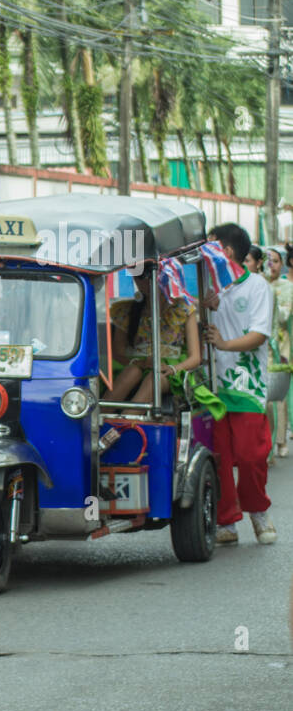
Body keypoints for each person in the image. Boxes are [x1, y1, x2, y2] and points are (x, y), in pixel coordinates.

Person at [202, 223, 275, 545]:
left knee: (250, 457)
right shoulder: (211, 290)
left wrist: (224, 344)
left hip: (247, 387)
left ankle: (258, 511)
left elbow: (259, 335)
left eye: (211, 247)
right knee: (219, 458)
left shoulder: (258, 286)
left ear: (226, 252)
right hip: (215, 389)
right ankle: (226, 521)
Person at [104, 262, 201, 404]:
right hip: (135, 365)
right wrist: (139, 363)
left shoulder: (183, 309)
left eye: (146, 277)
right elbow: (118, 351)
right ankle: (104, 419)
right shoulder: (126, 311)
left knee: (154, 378)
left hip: (172, 371)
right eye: (137, 277)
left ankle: (129, 420)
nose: (141, 282)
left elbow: (195, 358)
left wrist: (173, 369)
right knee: (132, 372)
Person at [265, 247, 292, 458]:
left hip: (281, 346)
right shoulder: (260, 284)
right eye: (268, 261)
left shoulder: (287, 287)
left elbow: (283, 317)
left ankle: (281, 440)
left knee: (278, 397)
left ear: (281, 264)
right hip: (261, 345)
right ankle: (266, 443)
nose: (271, 265)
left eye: (274, 261)